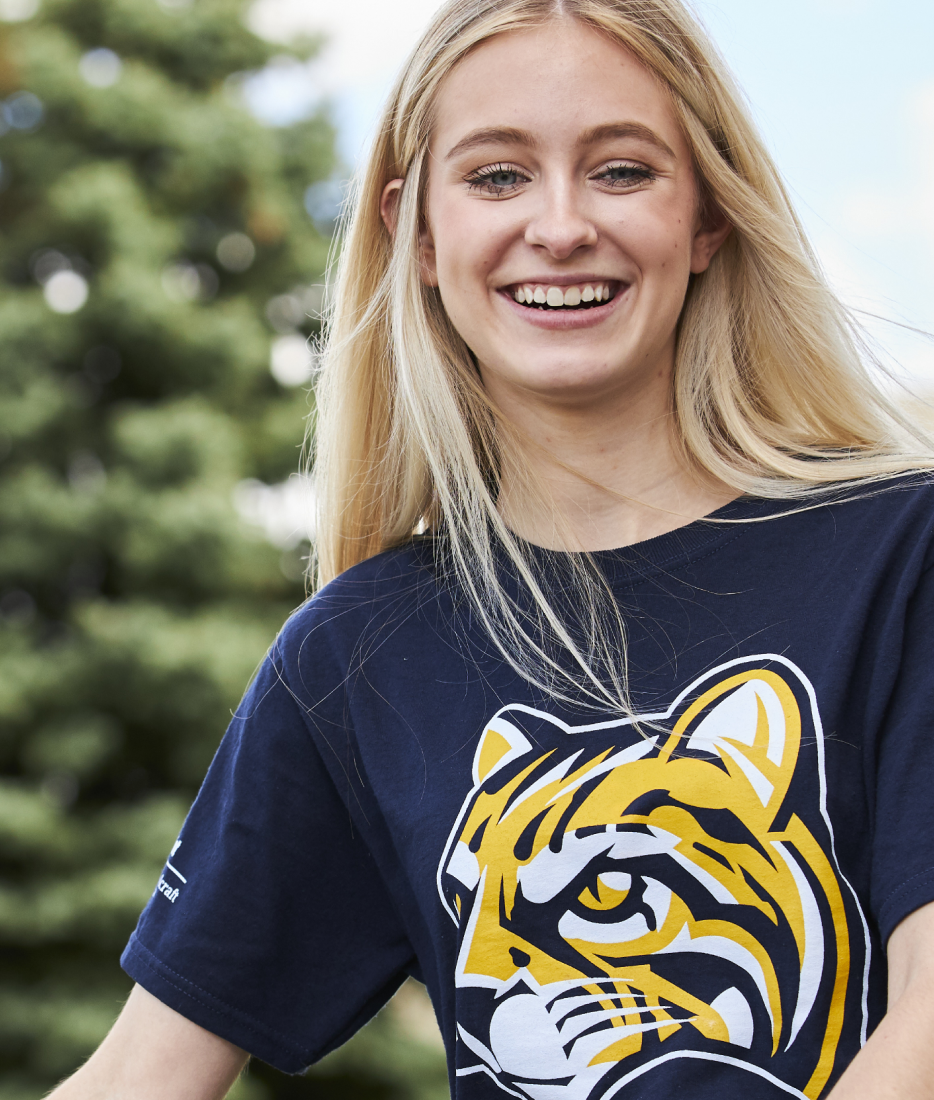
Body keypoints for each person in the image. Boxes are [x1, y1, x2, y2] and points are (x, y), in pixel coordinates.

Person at [49, 0, 934, 1097]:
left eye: (620, 170)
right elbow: (140, 1073)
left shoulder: (903, 553)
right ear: (416, 235)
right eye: (497, 177)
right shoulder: (359, 654)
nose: (558, 226)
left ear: (707, 217)